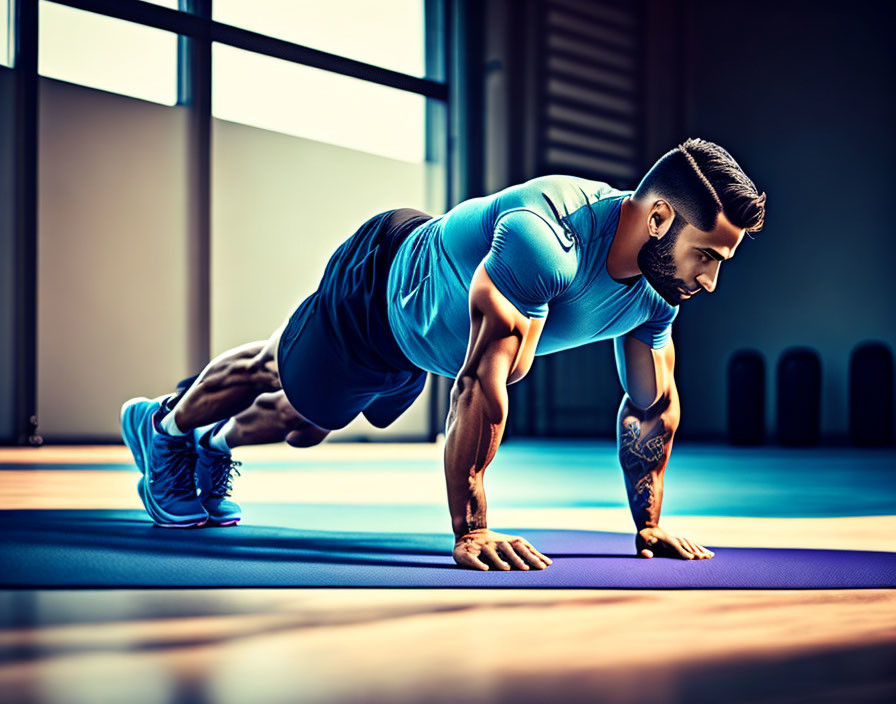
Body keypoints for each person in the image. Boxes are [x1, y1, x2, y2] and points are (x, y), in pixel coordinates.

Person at [121, 138, 766, 570]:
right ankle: (163, 426)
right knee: (280, 374)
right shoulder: (548, 241)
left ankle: (207, 447)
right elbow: (479, 390)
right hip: (380, 288)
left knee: (309, 426)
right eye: (705, 255)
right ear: (657, 220)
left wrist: (648, 525)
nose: (708, 280)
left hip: (420, 341)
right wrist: (472, 529)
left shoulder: (659, 294)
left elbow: (652, 408)